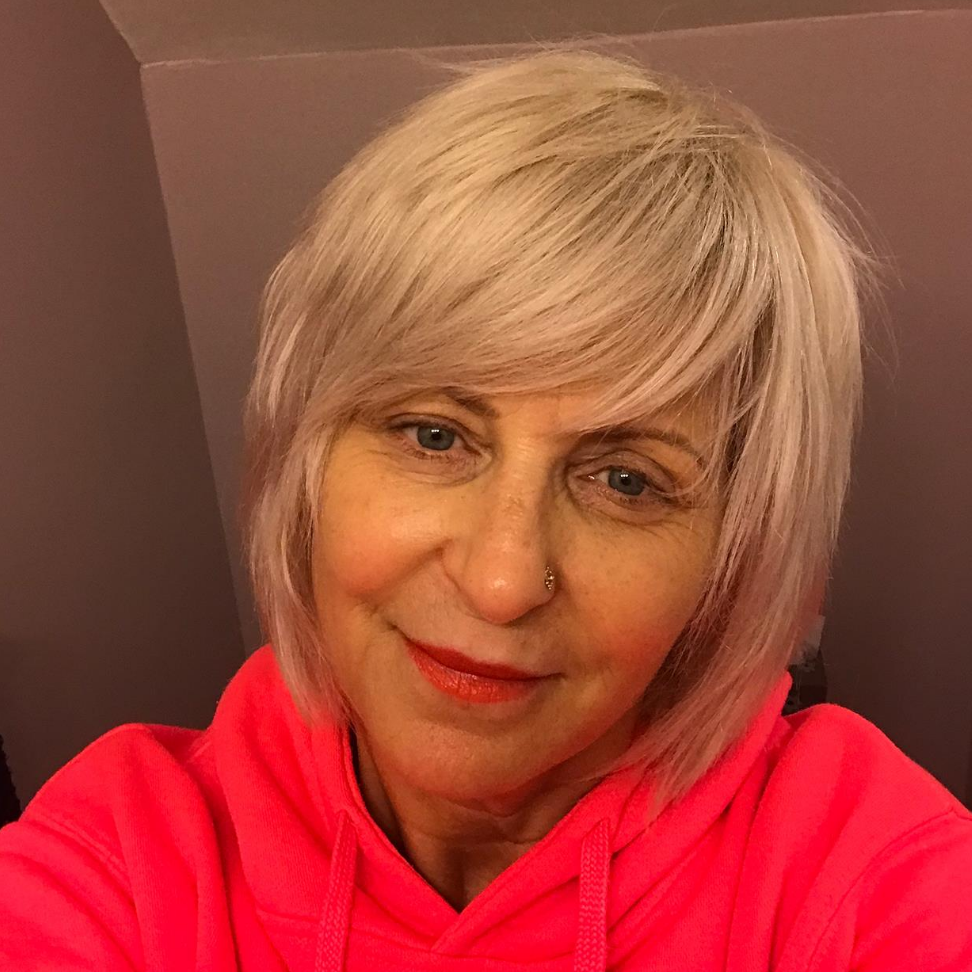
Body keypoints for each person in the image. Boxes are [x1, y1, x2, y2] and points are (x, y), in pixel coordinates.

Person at [1, 47, 970, 971]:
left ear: (734, 556)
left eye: (626, 480)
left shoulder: (872, 875)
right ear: (306, 458)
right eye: (434, 435)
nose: (501, 583)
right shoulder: (120, 859)